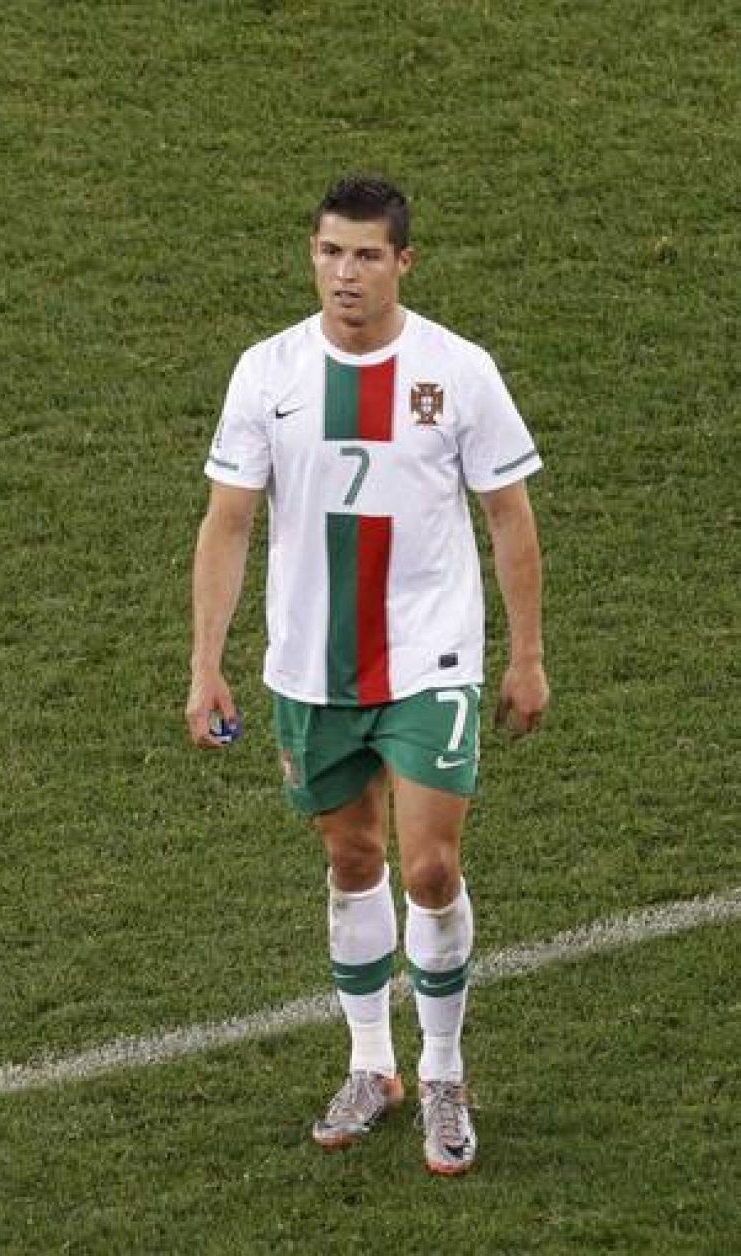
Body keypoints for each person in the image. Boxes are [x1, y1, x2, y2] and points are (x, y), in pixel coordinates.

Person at [184, 174, 549, 1176]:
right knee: (352, 860)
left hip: (430, 656)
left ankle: (443, 1074)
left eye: (366, 255)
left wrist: (525, 655)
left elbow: (509, 516)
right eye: (329, 252)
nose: (345, 273)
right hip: (312, 665)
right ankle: (369, 1065)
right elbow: (228, 521)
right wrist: (205, 662)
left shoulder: (457, 371)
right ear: (312, 254)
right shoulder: (267, 372)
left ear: (403, 262)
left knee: (429, 867)